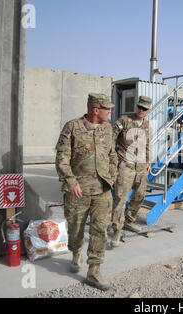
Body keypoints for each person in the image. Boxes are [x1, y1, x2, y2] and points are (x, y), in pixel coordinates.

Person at [55, 93, 117, 291]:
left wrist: (112, 176)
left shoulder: (108, 128)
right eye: (107, 108)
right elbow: (62, 158)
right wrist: (71, 182)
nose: (110, 111)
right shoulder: (72, 127)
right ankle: (75, 252)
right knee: (76, 230)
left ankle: (94, 272)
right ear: (95, 110)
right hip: (78, 191)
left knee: (100, 229)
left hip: (102, 190)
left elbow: (113, 154)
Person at [111, 96, 152, 248]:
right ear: (136, 106)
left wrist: (148, 161)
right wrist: (114, 160)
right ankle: (116, 231)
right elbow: (111, 139)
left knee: (140, 195)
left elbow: (147, 143)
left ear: (148, 111)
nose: (141, 110)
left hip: (140, 166)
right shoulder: (124, 121)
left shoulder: (146, 124)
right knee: (120, 199)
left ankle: (128, 221)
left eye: (144, 109)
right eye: (139, 107)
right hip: (125, 165)